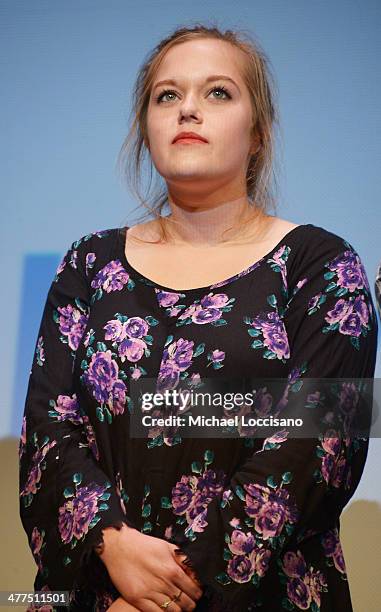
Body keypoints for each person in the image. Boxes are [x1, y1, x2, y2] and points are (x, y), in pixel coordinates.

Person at [19, 23, 378, 612]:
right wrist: (110, 546)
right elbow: (47, 433)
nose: (188, 108)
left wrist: (165, 594)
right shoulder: (88, 263)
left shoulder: (319, 264)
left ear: (258, 131)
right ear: (145, 128)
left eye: (217, 92)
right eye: (167, 95)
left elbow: (321, 446)